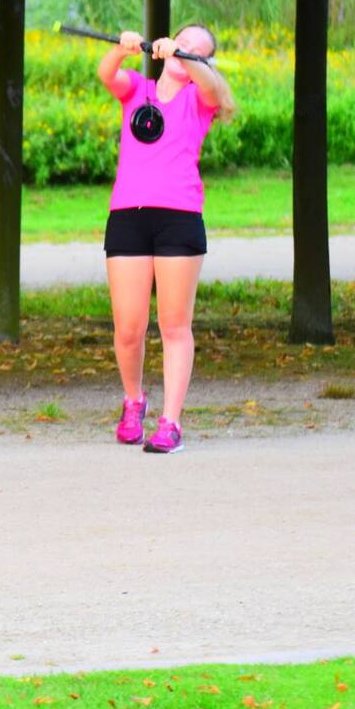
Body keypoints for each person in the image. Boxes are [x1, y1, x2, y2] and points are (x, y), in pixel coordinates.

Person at [95, 24, 237, 454]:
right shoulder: (138, 90)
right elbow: (107, 75)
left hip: (179, 218)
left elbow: (213, 85)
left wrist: (189, 59)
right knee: (128, 328)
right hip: (128, 216)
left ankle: (171, 422)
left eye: (198, 50)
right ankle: (133, 401)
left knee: (174, 325)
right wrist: (121, 50)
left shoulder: (200, 99)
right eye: (182, 42)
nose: (187, 51)